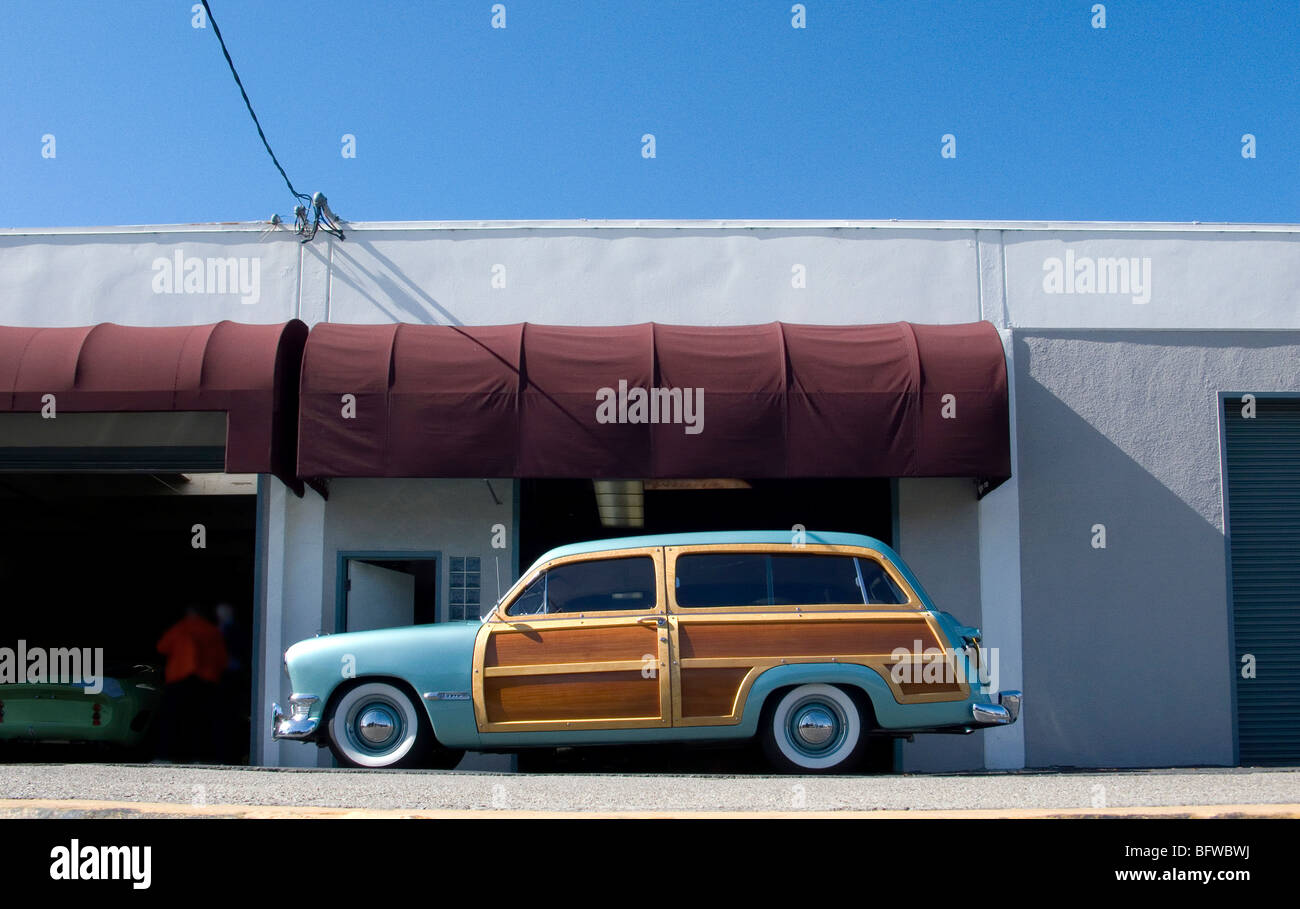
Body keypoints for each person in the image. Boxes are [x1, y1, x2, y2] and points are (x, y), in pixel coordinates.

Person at [155, 604, 228, 763]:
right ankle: (199, 758)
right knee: (201, 722)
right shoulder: (211, 630)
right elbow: (222, 659)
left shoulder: (180, 628)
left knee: (171, 721)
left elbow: (162, 647)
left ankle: (165, 756)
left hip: (179, 680)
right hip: (205, 682)